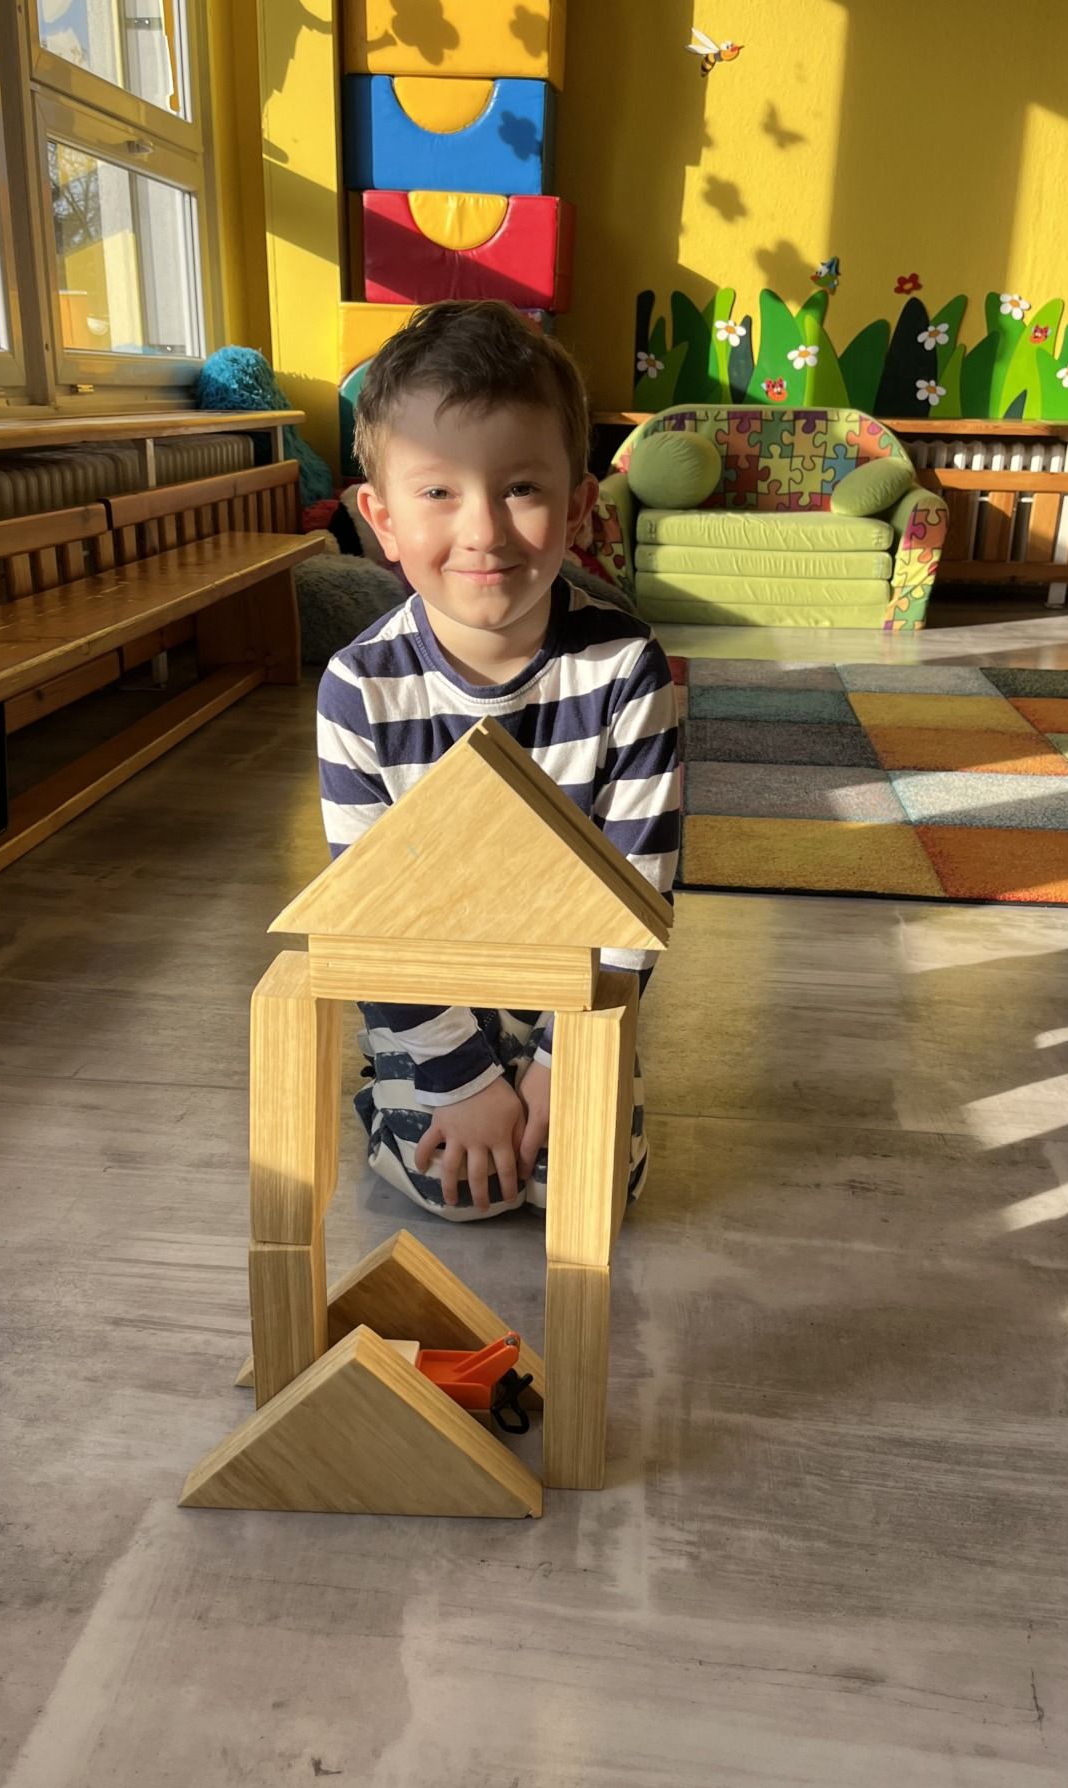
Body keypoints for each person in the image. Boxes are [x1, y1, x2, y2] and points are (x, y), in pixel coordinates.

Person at [317, 299, 680, 1220]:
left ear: (580, 506)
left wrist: (566, 1061)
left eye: (520, 487)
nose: (483, 530)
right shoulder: (357, 689)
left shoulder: (627, 668)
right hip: (425, 989)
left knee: (585, 1190)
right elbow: (368, 917)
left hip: (573, 992)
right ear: (380, 518)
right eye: (438, 492)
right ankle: (393, 1085)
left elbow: (638, 892)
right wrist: (459, 1077)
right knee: (462, 1192)